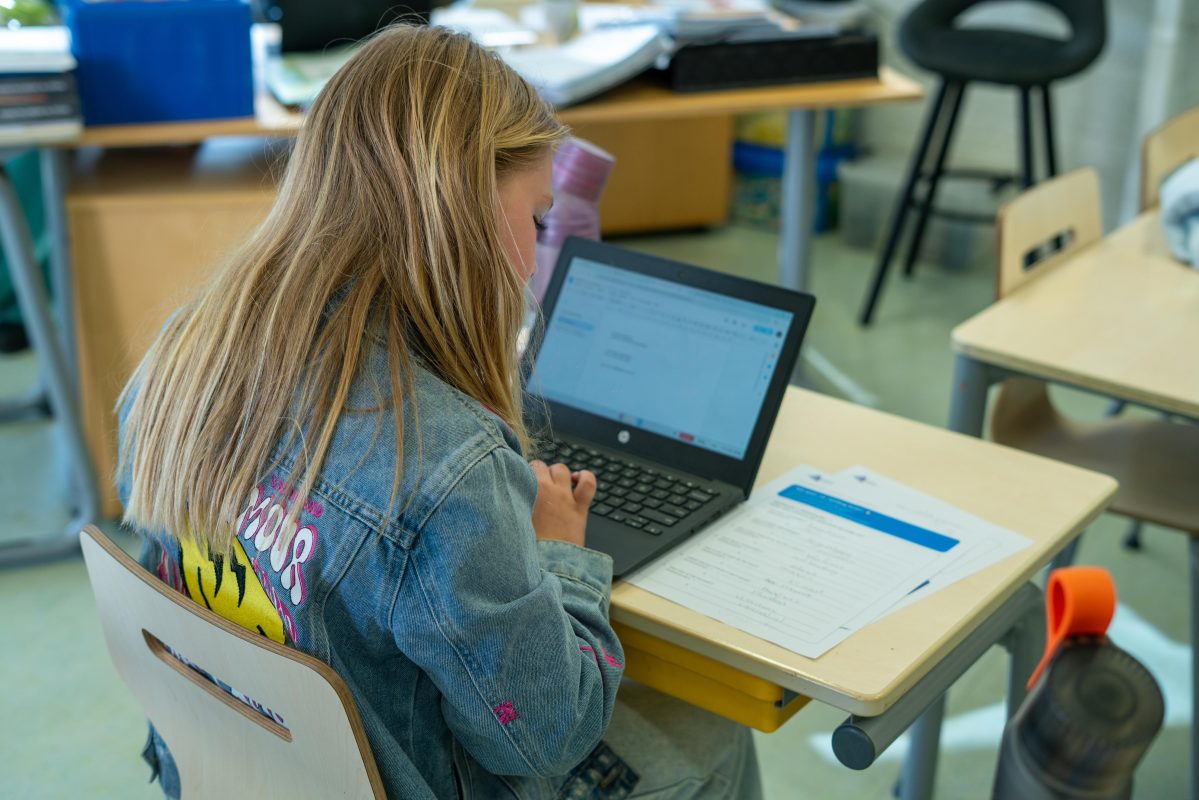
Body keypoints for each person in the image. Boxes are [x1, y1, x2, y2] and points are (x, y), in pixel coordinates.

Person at [116, 24, 761, 799]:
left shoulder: (185, 355)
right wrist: (556, 551)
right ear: (465, 208)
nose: (535, 249)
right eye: (536, 216)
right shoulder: (448, 466)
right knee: (714, 740)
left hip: (235, 772)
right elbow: (549, 736)